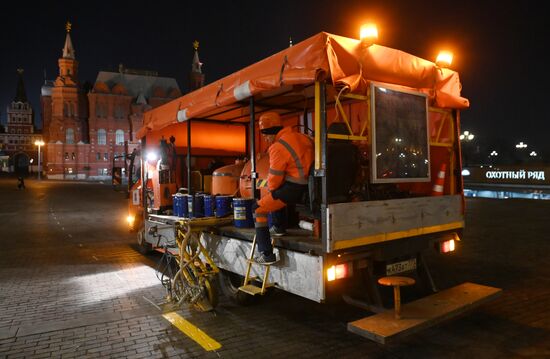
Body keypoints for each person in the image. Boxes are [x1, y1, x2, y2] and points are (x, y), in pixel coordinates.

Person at [253, 112, 314, 264]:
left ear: (271, 132)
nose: (265, 139)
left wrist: (268, 185)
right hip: (311, 187)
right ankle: (278, 227)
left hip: (293, 189)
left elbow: (273, 182)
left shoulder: (277, 147)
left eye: (265, 135)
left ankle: (266, 254)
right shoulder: (303, 137)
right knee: (276, 194)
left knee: (258, 209)